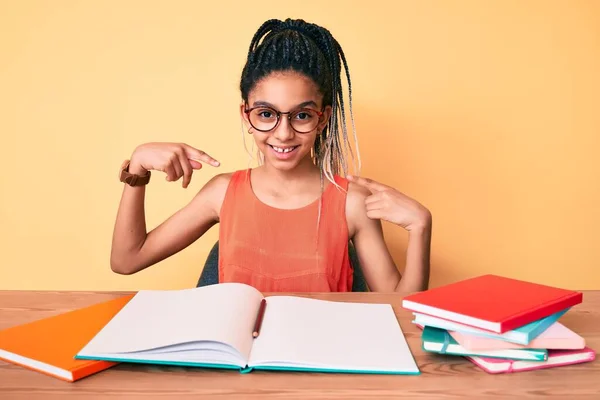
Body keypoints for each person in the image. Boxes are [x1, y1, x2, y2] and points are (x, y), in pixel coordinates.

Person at [110, 18, 432, 294]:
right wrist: (137, 168)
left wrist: (420, 227)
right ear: (246, 115)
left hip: (322, 363)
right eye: (266, 114)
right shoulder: (222, 193)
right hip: (236, 364)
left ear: (322, 118)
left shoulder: (352, 203)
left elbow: (399, 311)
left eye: (301, 115)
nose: (283, 133)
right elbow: (127, 260)